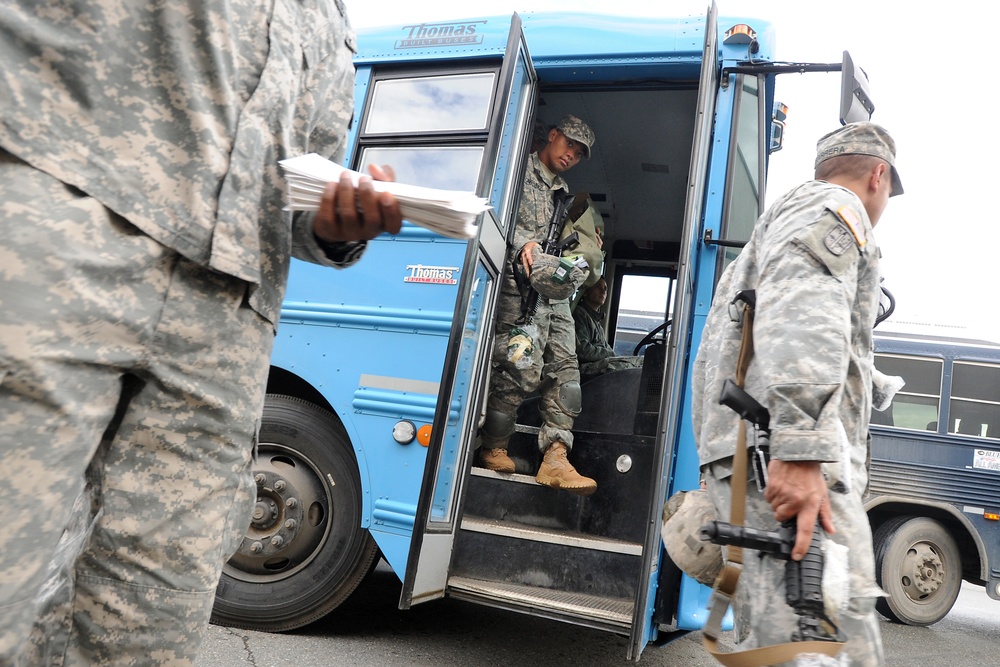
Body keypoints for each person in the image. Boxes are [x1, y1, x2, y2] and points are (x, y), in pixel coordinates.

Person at [0, 1, 402, 665]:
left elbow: (299, 183)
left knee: (146, 628)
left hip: (226, 319)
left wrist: (339, 221)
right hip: (62, 231)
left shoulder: (332, 22)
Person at [691, 122, 903, 666]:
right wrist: (802, 450)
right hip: (781, 457)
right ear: (878, 174)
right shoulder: (835, 208)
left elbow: (783, 321)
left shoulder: (792, 214)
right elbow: (804, 315)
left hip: (759, 450)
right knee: (827, 639)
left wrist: (867, 382)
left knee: (785, 638)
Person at [477, 115, 599, 496]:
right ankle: (494, 446)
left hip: (552, 288)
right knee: (520, 363)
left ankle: (556, 458)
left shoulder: (564, 192)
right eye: (569, 146)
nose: (571, 155)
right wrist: (523, 243)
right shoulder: (514, 171)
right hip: (517, 283)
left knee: (566, 368)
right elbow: (491, 215)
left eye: (579, 154)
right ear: (552, 135)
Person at [573, 276, 643, 379]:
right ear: (585, 292)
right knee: (631, 366)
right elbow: (582, 350)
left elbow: (609, 351)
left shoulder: (596, 322)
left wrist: (614, 356)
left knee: (641, 362)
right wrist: (608, 354)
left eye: (605, 289)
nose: (603, 291)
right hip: (584, 369)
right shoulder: (579, 314)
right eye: (598, 287)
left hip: (597, 366)